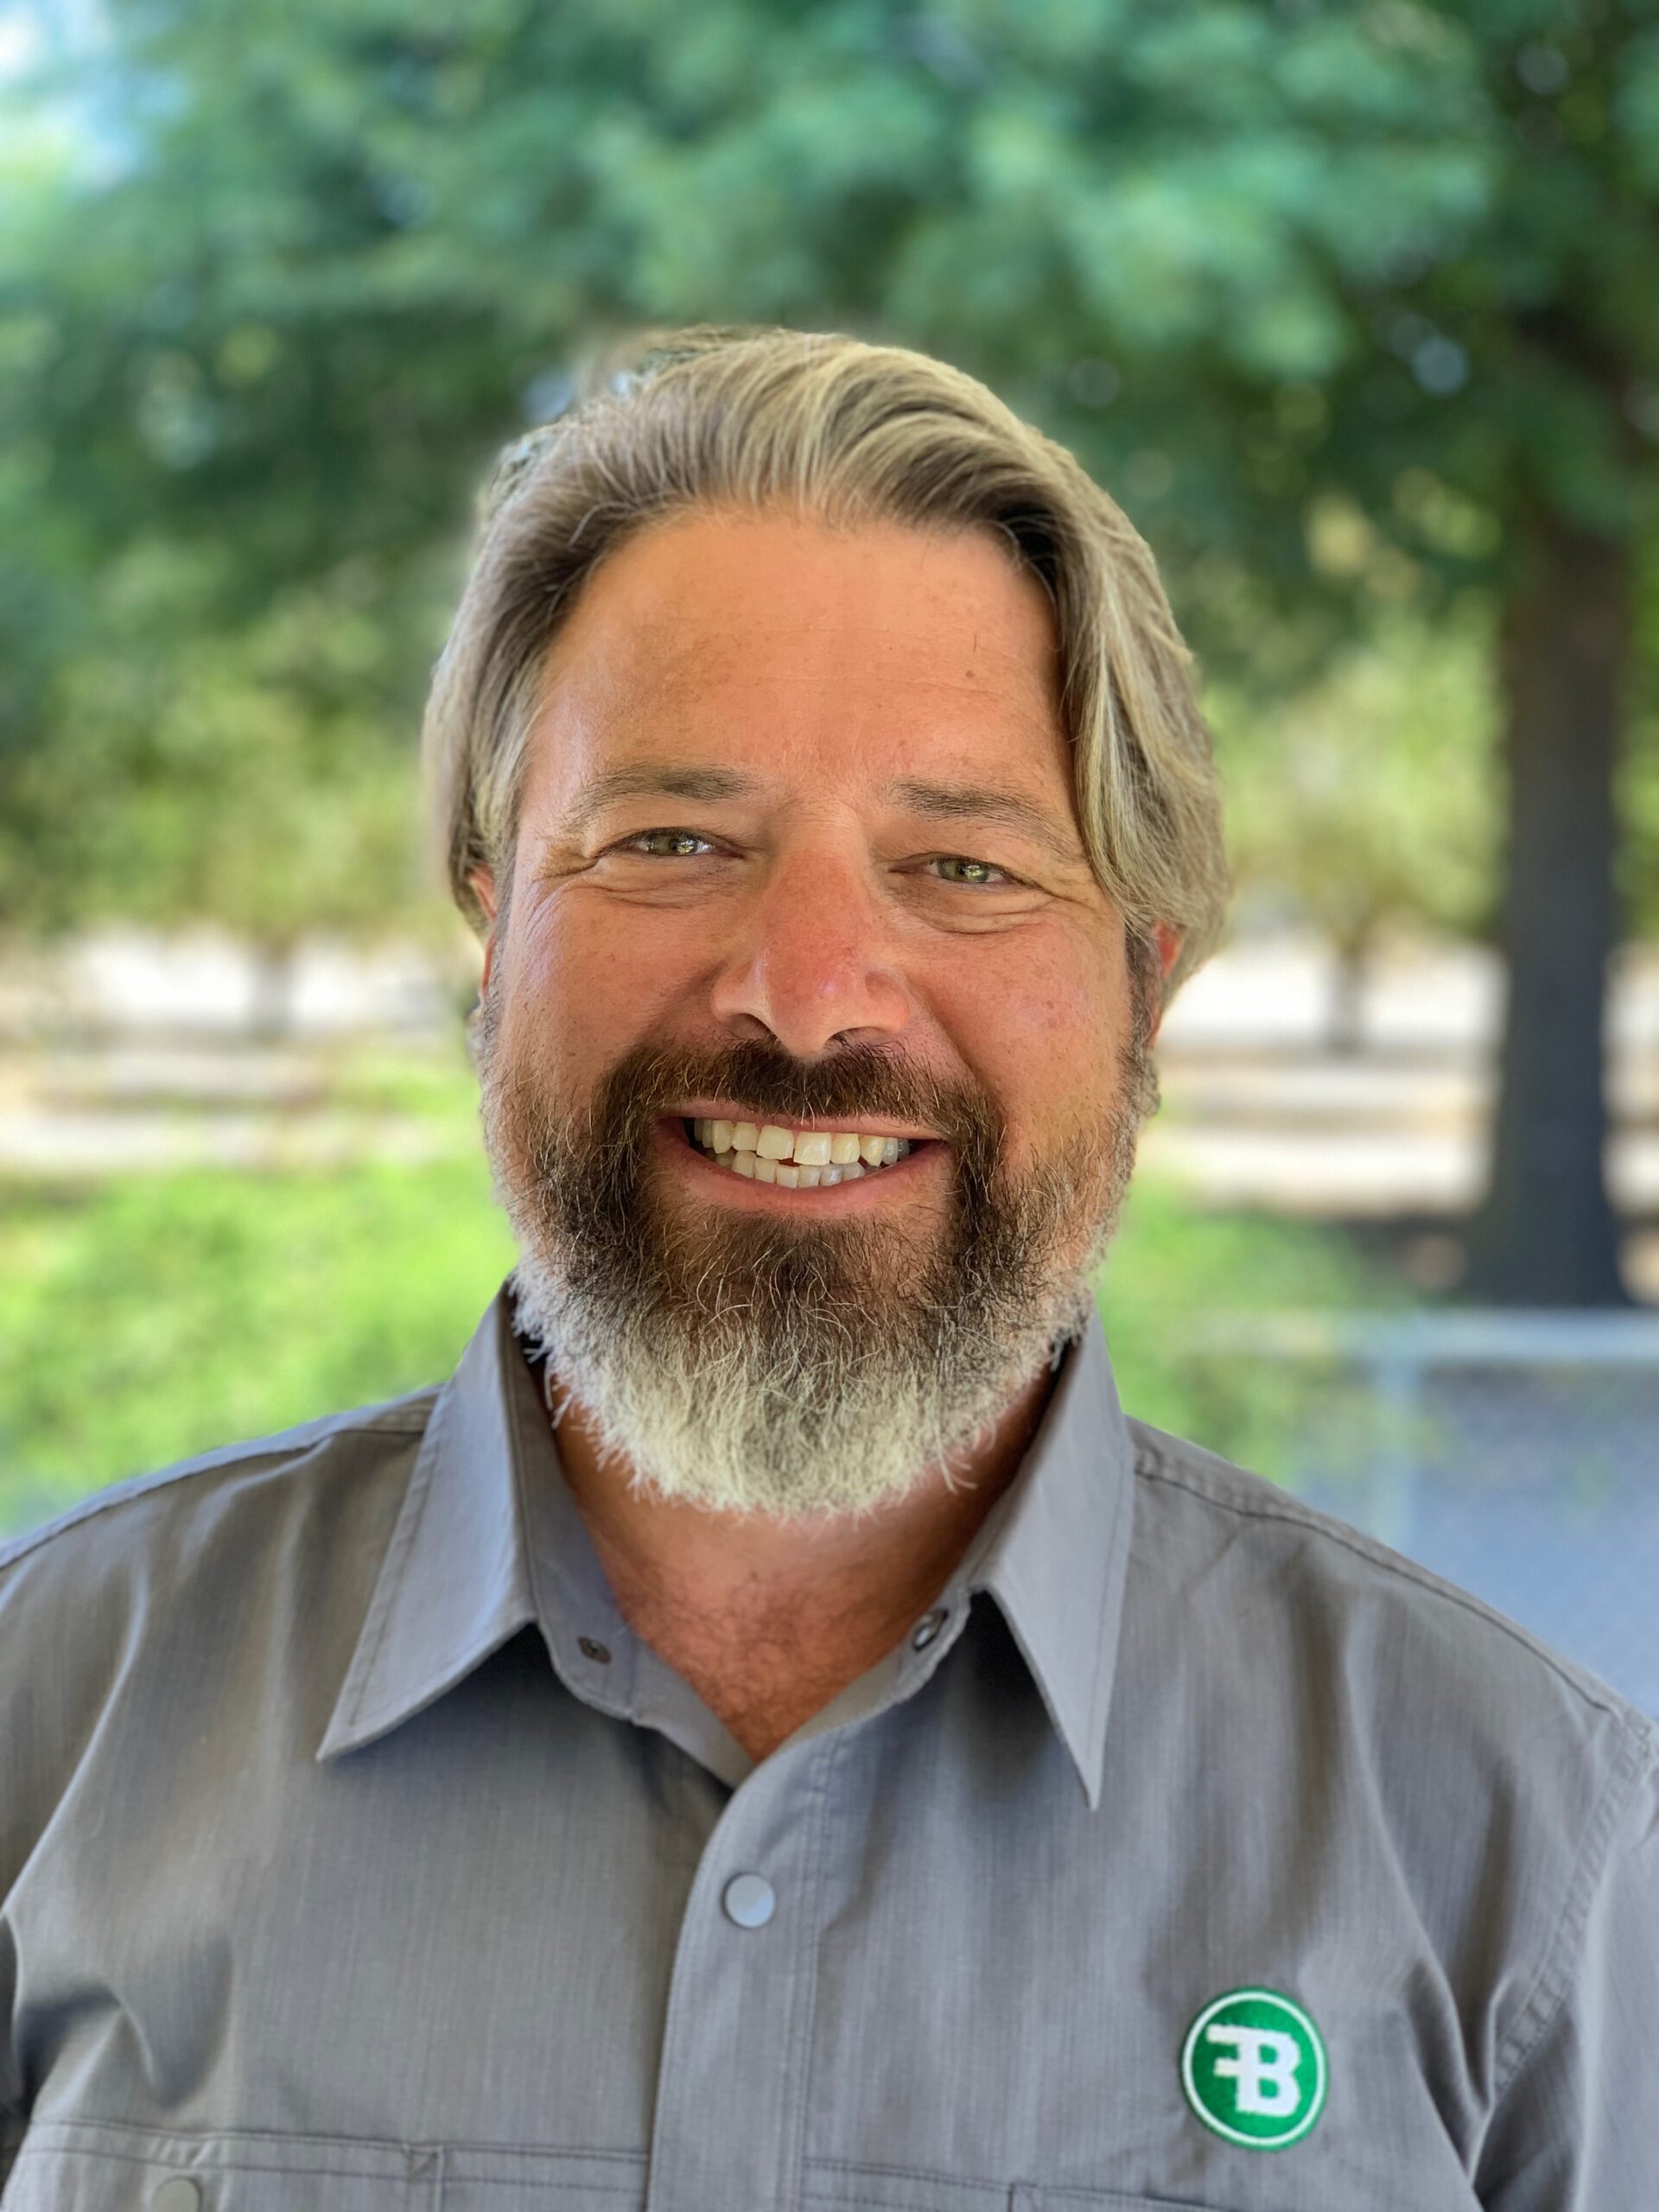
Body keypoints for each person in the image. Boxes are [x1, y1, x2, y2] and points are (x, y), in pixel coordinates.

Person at [1, 327, 1653, 2212]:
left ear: (1146, 980)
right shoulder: (49, 1719)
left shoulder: (1522, 1838)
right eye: (674, 839)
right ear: (491, 917)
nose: (803, 997)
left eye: (962, 868)